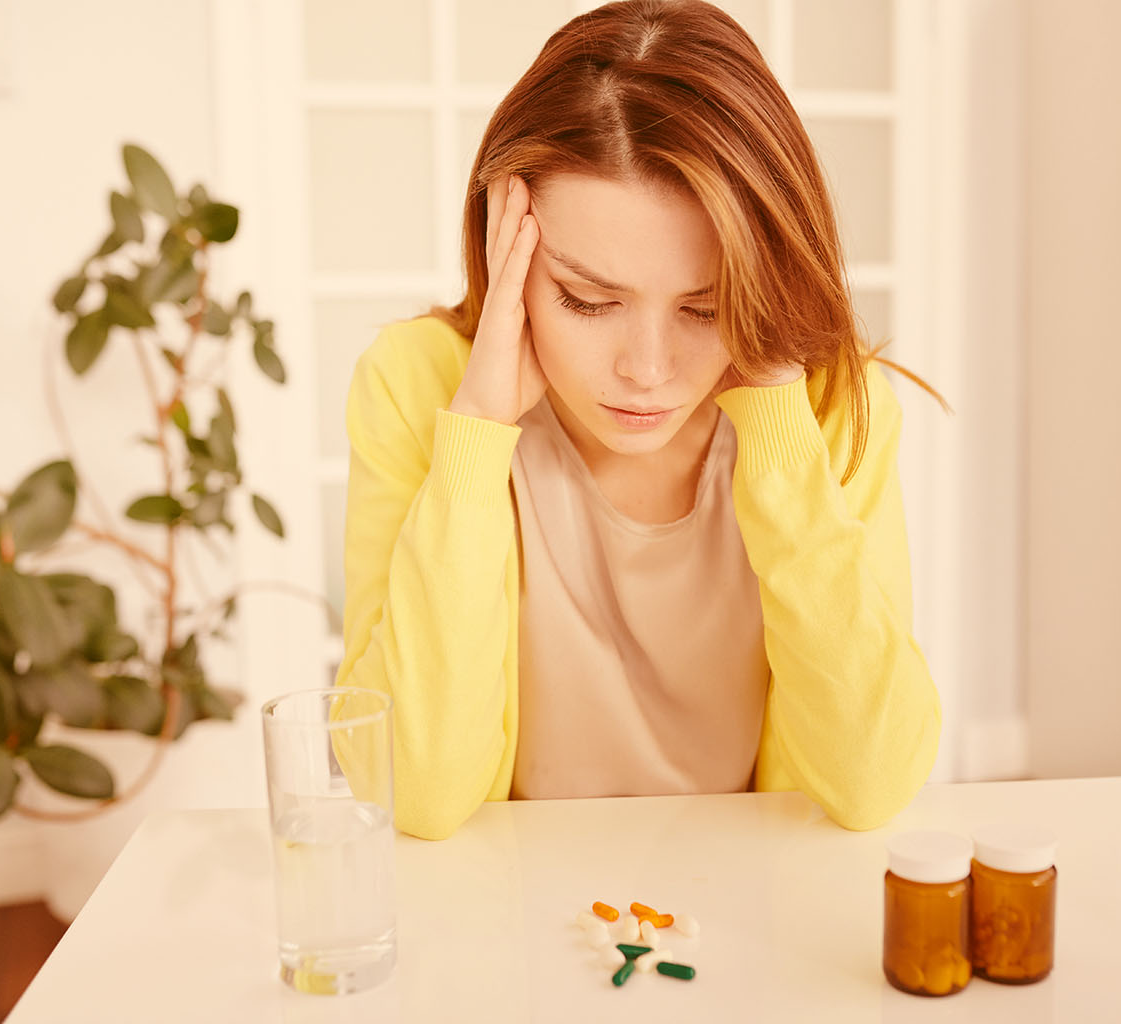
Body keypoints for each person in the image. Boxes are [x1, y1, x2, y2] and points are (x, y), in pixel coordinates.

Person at [335, 0, 942, 841]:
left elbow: (870, 781)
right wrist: (474, 440)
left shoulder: (830, 405)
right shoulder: (419, 386)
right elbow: (415, 791)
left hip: (752, 907)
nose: (647, 372)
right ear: (506, 247)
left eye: (704, 307)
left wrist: (775, 423)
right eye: (587, 300)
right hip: (504, 920)